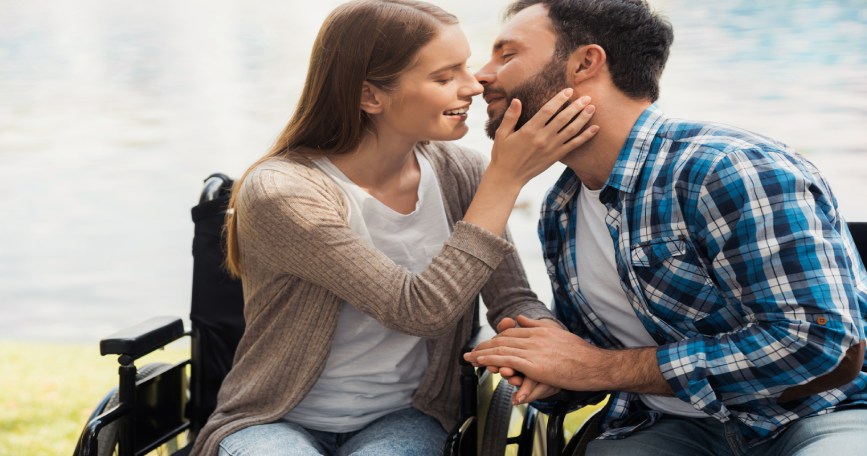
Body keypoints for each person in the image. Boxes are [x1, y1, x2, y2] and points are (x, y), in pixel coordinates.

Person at [189, 1, 599, 455]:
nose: (474, 86)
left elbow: (512, 298)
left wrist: (545, 344)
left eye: (465, 67)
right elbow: (418, 311)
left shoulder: (460, 172)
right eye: (445, 77)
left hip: (407, 415)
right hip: (275, 417)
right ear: (370, 96)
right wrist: (505, 179)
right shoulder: (284, 192)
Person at [464, 1, 867, 454]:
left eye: (506, 54)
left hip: (817, 414)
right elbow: (589, 367)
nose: (481, 75)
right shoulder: (562, 205)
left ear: (584, 63)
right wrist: (543, 367)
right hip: (669, 427)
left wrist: (600, 368)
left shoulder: (728, 169)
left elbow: (816, 342)